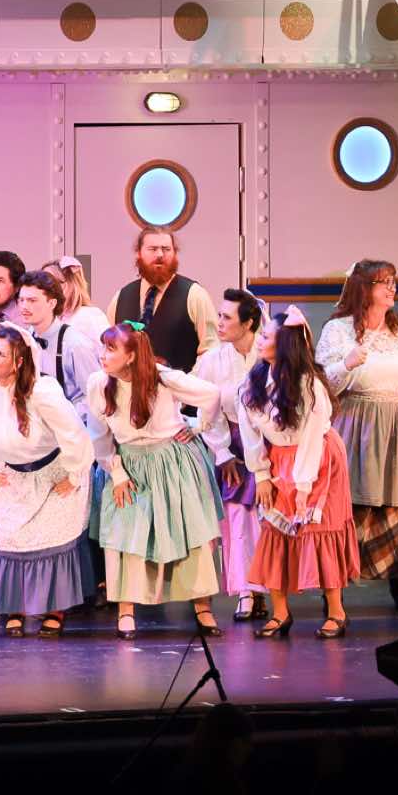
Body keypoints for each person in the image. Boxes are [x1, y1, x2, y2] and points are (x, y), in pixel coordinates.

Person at [0, 326, 96, 636]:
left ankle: (54, 610)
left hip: (52, 475)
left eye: (0, 354)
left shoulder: (41, 391)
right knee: (12, 544)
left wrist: (74, 473)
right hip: (12, 477)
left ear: (18, 362)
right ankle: (16, 608)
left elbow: (73, 433)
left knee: (54, 546)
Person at [316, 260, 398, 610]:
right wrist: (347, 363)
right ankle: (335, 584)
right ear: (363, 288)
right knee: (353, 501)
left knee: (397, 501)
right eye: (383, 282)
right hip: (357, 422)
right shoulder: (339, 330)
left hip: (397, 422)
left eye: (393, 281)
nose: (392, 288)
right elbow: (324, 384)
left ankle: (397, 577)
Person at [87, 323, 226, 640]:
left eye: (111, 349)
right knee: (127, 534)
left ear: (131, 356)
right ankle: (126, 609)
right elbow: (98, 435)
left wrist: (198, 425)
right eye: (103, 347)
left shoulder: (162, 378)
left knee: (189, 531)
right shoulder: (99, 383)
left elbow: (211, 394)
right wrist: (117, 473)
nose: (103, 355)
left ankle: (202, 606)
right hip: (130, 464)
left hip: (170, 460)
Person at [238, 308, 361, 639]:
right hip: (279, 460)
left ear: (285, 345)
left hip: (318, 459)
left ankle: (336, 611)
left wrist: (304, 485)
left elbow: (311, 436)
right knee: (274, 530)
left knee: (320, 529)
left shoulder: (309, 385)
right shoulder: (253, 382)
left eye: (266, 336)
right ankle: (280, 612)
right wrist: (261, 475)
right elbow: (250, 434)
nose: (260, 340)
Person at [13, 270, 107, 605]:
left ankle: (86, 590)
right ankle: (47, 593)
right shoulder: (22, 340)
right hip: (36, 446)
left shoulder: (74, 343)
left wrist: (66, 421)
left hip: (70, 442)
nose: (24, 306)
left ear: (52, 302)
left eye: (32, 300)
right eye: (21, 300)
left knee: (76, 521)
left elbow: (94, 395)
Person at [194, 289, 268, 623]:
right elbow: (205, 408)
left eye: (227, 317)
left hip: (269, 442)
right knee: (238, 518)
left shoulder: (267, 353)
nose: (219, 323)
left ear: (248, 323)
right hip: (232, 443)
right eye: (219, 315)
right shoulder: (213, 360)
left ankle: (271, 585)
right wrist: (222, 451)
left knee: (268, 519)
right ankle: (246, 590)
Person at [110, 225, 218, 372]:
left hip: (182, 385)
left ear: (175, 254)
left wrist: (185, 383)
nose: (160, 254)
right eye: (153, 249)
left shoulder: (195, 295)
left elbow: (211, 354)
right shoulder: (121, 298)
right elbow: (110, 350)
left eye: (166, 249)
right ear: (138, 253)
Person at [44, 256, 111, 348]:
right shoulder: (48, 319)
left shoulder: (90, 315)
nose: (44, 289)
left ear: (70, 284)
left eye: (51, 283)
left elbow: (109, 350)